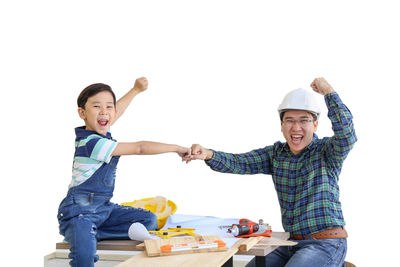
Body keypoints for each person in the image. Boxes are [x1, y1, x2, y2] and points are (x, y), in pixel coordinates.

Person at [188, 77, 357, 267]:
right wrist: (209, 154)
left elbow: (347, 135)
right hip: (290, 244)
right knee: (232, 264)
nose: (296, 127)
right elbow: (240, 162)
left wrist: (329, 92)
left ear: (315, 125)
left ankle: (333, 263)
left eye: (304, 120)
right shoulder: (276, 154)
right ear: (282, 125)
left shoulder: (327, 151)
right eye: (289, 121)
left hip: (325, 244)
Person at [57, 77, 190, 267]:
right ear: (82, 113)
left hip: (103, 209)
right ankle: (85, 233)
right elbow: (140, 148)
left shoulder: (100, 130)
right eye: (96, 106)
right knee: (84, 256)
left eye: (109, 107)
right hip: (79, 213)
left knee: (149, 220)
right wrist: (176, 148)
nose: (104, 112)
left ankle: (95, 232)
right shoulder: (92, 143)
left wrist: (135, 90)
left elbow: (113, 113)